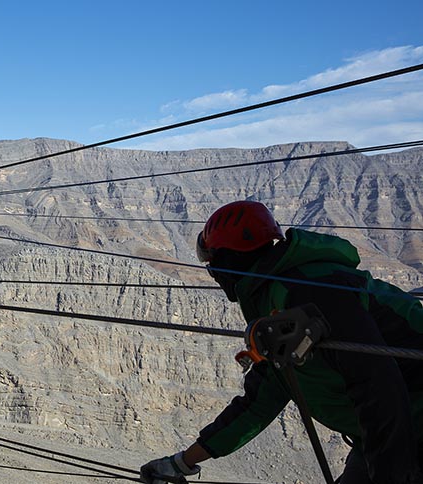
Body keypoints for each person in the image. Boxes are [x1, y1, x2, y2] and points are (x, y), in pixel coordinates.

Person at [140, 200, 423, 484]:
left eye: (214, 261)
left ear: (229, 260)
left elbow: (377, 384)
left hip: (405, 430)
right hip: (388, 433)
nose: (213, 272)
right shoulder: (279, 301)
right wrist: (181, 463)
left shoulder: (308, 291)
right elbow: (258, 402)